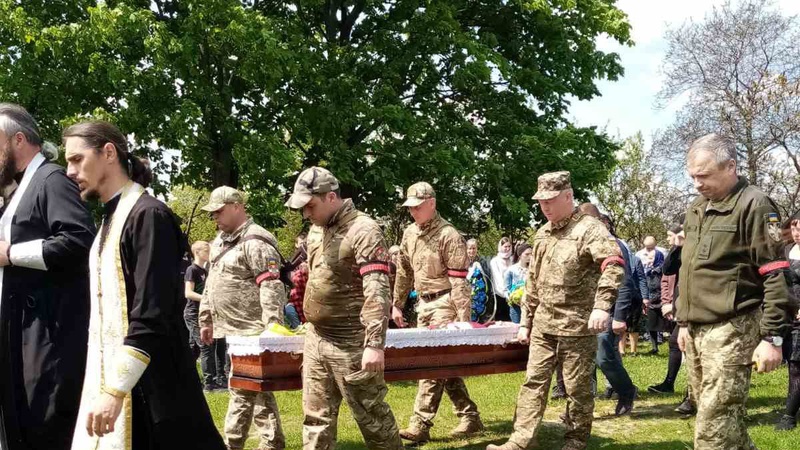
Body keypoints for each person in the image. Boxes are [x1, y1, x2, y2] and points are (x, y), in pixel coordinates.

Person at [64, 120, 225, 450]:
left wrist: (115, 391)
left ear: (109, 152)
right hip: (132, 386)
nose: (70, 170)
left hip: (158, 392)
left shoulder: (149, 216)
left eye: (77, 159)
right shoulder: (111, 218)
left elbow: (153, 312)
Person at [488, 172, 624, 450]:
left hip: (576, 325)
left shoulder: (589, 229)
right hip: (543, 326)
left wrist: (602, 306)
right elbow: (533, 281)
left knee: (577, 389)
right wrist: (526, 321)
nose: (545, 207)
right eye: (541, 202)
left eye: (550, 200)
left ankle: (575, 441)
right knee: (533, 383)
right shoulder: (542, 233)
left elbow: (613, 264)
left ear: (567, 196)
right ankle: (521, 440)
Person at [677, 133, 790, 450]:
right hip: (697, 330)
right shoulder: (697, 208)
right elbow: (692, 269)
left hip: (733, 329)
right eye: (693, 177)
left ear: (731, 166)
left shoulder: (757, 205)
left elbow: (775, 273)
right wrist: (684, 323)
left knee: (713, 431)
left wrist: (772, 339)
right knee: (725, 423)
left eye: (704, 175)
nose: (697, 183)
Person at [285, 167, 403, 449]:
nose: (306, 214)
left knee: (374, 420)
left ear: (331, 197)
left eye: (310, 206)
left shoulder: (364, 230)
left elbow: (377, 288)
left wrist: (374, 344)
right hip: (317, 338)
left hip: (351, 341)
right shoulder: (316, 230)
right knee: (315, 419)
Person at [0, 104, 95, 450]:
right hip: (23, 337)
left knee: (45, 429)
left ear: (18, 140)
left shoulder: (51, 180)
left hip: (49, 340)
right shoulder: (20, 189)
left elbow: (77, 240)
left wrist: (11, 254)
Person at [393, 182, 484, 443]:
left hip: (446, 303)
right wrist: (397, 304)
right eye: (410, 208)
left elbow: (459, 282)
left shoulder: (449, 235)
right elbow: (403, 272)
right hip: (422, 304)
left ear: (431, 203)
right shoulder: (409, 233)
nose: (413, 212)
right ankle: (470, 415)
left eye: (417, 207)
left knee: (432, 363)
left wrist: (463, 320)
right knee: (444, 364)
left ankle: (420, 424)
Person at [198, 185, 287, 450]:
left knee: (247, 387)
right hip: (230, 328)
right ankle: (262, 441)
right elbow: (211, 282)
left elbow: (271, 285)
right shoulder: (220, 242)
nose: (215, 217)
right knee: (248, 386)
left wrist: (272, 325)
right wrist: (206, 318)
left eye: (219, 211)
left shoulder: (256, 241)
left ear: (237, 207)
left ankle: (240, 443)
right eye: (212, 213)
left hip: (252, 329)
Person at [578, 204, 638, 417]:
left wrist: (619, 316)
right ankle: (579, 408)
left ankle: (626, 391)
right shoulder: (580, 243)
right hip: (584, 310)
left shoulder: (614, 245)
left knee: (603, 356)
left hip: (608, 309)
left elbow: (625, 282)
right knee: (580, 359)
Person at [185, 240, 225, 391]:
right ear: (197, 252)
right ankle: (209, 384)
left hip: (204, 313)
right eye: (206, 251)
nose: (209, 254)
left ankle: (189, 379)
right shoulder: (192, 270)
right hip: (193, 313)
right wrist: (207, 299)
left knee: (193, 349)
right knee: (205, 346)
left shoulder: (205, 271)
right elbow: (188, 293)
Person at [776, 212, 800, 431]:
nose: (797, 232)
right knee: (792, 364)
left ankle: (789, 415)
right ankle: (791, 406)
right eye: (794, 228)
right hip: (788, 313)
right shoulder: (785, 251)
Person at [637, 237, 665, 354]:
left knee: (667, 324)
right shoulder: (648, 271)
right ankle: (654, 347)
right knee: (651, 324)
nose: (648, 260)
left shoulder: (663, 270)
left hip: (662, 300)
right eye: (647, 258)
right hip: (651, 300)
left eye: (651, 258)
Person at [467, 238, 496, 323]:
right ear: (466, 249)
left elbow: (488, 278)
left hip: (481, 298)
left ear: (477, 249)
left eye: (474, 248)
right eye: (469, 248)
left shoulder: (482, 262)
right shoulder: (462, 262)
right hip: (467, 296)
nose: (472, 251)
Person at [504, 243, 531, 324]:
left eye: (531, 254)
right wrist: (512, 298)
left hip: (529, 305)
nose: (530, 257)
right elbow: (506, 289)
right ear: (520, 255)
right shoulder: (511, 270)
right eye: (527, 254)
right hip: (515, 306)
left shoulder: (532, 270)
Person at [286, 232, 308, 329]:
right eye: (300, 244)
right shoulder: (294, 263)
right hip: (298, 301)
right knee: (289, 309)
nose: (301, 246)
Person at [490, 237, 513, 321]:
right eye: (505, 247)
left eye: (509, 246)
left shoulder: (511, 260)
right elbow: (497, 278)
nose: (507, 249)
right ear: (501, 247)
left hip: (511, 294)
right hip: (499, 294)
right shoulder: (495, 261)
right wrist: (505, 292)